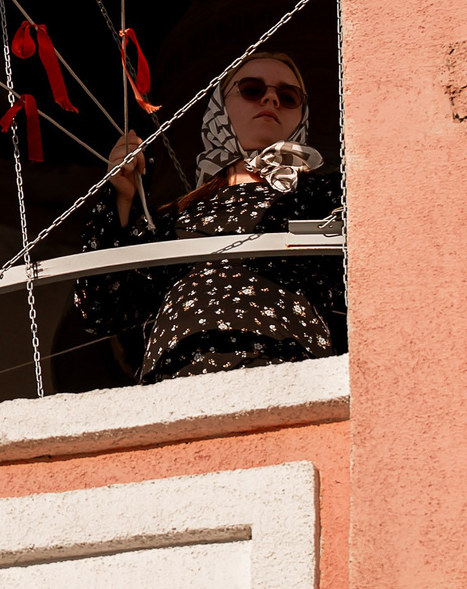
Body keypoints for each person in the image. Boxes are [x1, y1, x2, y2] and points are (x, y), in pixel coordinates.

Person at [73, 51, 346, 383]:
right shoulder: (171, 218)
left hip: (287, 374)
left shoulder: (328, 196)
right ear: (221, 107)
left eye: (288, 97)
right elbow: (101, 308)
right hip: (177, 380)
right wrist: (121, 196)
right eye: (251, 89)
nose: (271, 98)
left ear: (300, 116)